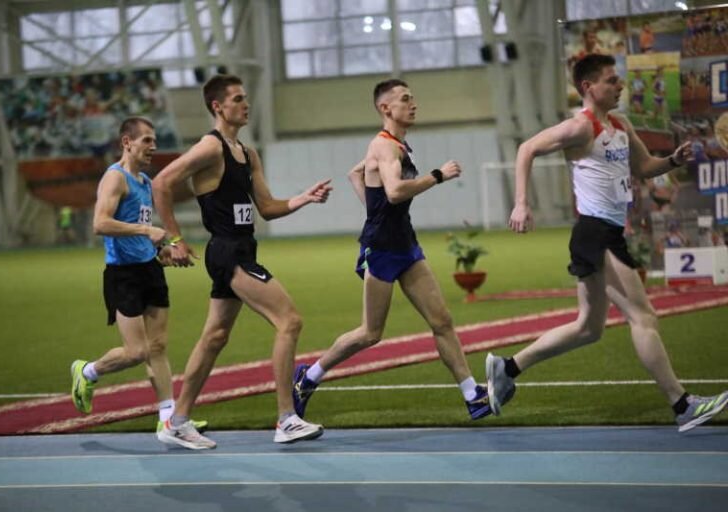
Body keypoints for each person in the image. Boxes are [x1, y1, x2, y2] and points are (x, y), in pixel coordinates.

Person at [488, 54, 728, 433]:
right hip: (595, 232)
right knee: (643, 317)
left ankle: (508, 367)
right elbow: (526, 149)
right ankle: (682, 405)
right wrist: (521, 203)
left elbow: (644, 167)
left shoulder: (620, 125)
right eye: (611, 80)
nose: (620, 85)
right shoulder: (579, 127)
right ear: (589, 87)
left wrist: (672, 160)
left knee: (589, 328)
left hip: (607, 231)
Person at [291, 79, 495, 423]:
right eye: (405, 99)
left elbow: (355, 173)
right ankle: (307, 378)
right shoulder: (385, 146)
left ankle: (472, 394)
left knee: (442, 321)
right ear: (386, 108)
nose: (413, 104)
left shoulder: (396, 145)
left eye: (413, 98)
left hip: (405, 243)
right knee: (370, 333)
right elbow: (397, 192)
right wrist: (438, 175)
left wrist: (374, 212)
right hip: (383, 249)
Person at [152, 74, 332, 448]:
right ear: (217, 107)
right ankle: (286, 419)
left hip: (244, 248)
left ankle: (177, 422)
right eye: (237, 99)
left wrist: (302, 199)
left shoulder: (248, 154)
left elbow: (266, 207)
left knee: (215, 337)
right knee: (289, 320)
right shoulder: (210, 147)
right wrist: (175, 239)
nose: (245, 104)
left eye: (245, 97)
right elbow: (162, 183)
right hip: (227, 251)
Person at [69, 117, 207, 435]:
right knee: (137, 352)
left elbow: (139, 231)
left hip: (149, 269)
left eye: (154, 140)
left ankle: (168, 420)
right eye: (146, 140)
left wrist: (162, 251)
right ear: (126, 142)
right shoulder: (114, 179)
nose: (153, 146)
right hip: (123, 275)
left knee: (158, 346)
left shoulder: (144, 181)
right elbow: (100, 224)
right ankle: (87, 371)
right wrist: (146, 230)